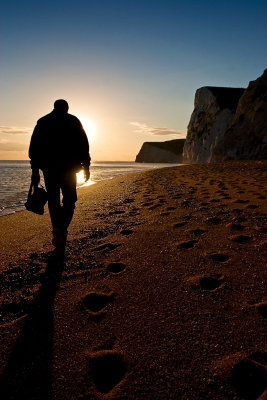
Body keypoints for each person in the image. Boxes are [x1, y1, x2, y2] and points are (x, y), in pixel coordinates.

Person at [29, 99, 91, 247]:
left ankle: (57, 228)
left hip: (49, 169)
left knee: (53, 200)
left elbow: (34, 148)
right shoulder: (73, 120)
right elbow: (84, 144)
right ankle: (61, 229)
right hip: (69, 169)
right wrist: (87, 166)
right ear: (67, 108)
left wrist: (35, 170)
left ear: (54, 107)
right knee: (70, 200)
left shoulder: (43, 121)